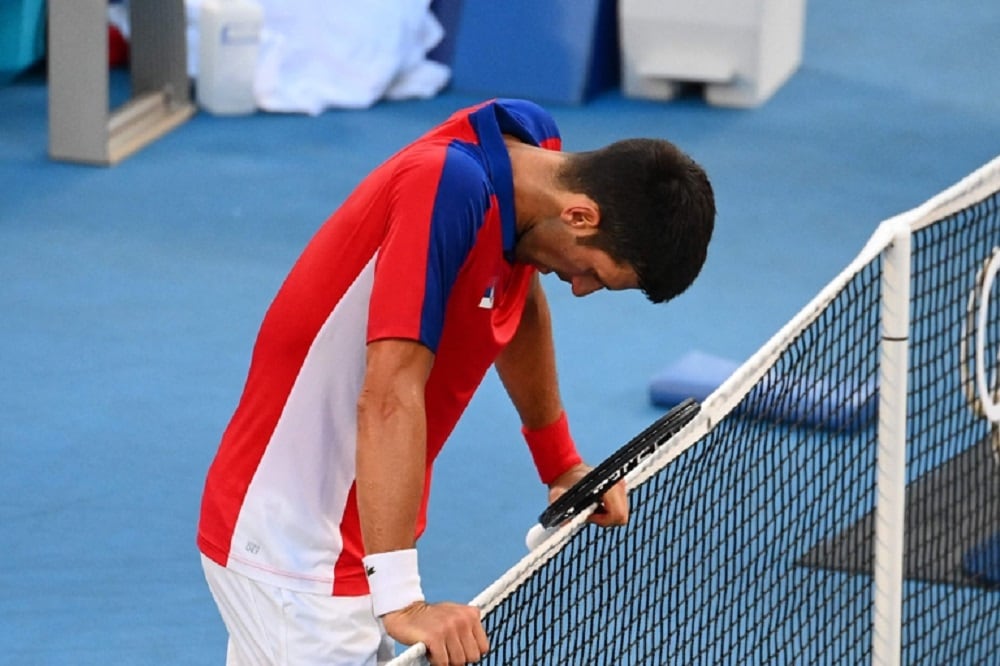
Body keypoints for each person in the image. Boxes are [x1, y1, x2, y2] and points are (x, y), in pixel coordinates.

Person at [197, 98, 715, 666]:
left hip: (347, 538)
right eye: (594, 272)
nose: (581, 289)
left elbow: (521, 306)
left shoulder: (530, 159)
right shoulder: (446, 188)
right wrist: (402, 600)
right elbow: (388, 394)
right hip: (297, 549)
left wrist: (560, 463)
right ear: (580, 215)